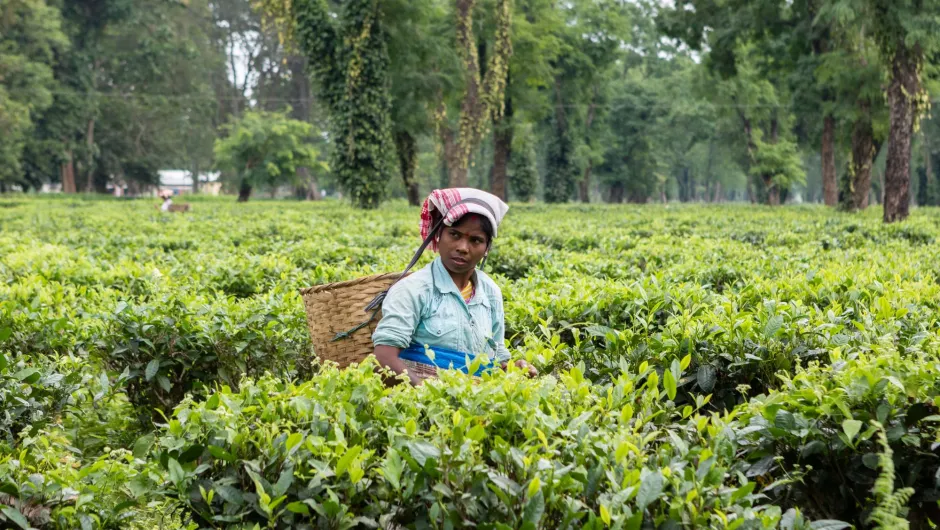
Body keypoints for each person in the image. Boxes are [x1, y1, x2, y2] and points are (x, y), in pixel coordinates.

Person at [372, 188, 538, 386]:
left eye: (475, 240)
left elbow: (496, 358)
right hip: (418, 404)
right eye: (455, 234)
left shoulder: (490, 293)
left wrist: (513, 367)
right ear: (439, 236)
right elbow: (384, 359)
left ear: (487, 249)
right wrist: (428, 398)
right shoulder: (413, 290)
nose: (462, 247)